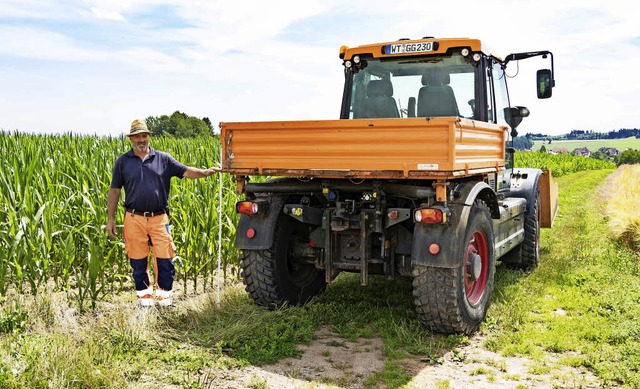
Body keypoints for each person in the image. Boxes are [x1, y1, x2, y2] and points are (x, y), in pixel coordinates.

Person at [107, 119, 218, 307]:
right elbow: (115, 190)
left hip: (159, 218)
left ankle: (165, 303)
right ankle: (145, 304)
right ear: (131, 139)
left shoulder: (163, 159)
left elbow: (185, 171)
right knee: (138, 262)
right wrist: (110, 218)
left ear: (148, 137)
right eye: (137, 136)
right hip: (133, 219)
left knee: (165, 260)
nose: (141, 139)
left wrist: (204, 172)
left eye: (144, 135)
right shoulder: (123, 162)